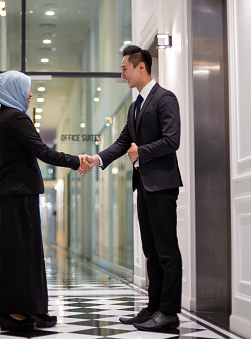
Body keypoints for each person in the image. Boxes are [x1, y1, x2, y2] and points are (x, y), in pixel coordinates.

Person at [85, 45, 183, 331]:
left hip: (163, 185)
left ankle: (168, 312)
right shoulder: (134, 106)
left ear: (141, 67)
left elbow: (172, 140)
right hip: (143, 186)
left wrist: (141, 151)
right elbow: (121, 142)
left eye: (125, 68)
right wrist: (98, 158)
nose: (122, 74)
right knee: (151, 251)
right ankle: (154, 308)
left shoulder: (165, 98)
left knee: (166, 250)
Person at [0, 70, 91, 332]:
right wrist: (76, 161)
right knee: (21, 255)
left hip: (14, 193)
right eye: (25, 89)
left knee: (21, 253)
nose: (30, 94)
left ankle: (29, 308)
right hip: (19, 194)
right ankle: (17, 313)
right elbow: (43, 151)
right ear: (12, 90)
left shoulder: (3, 118)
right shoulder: (15, 118)